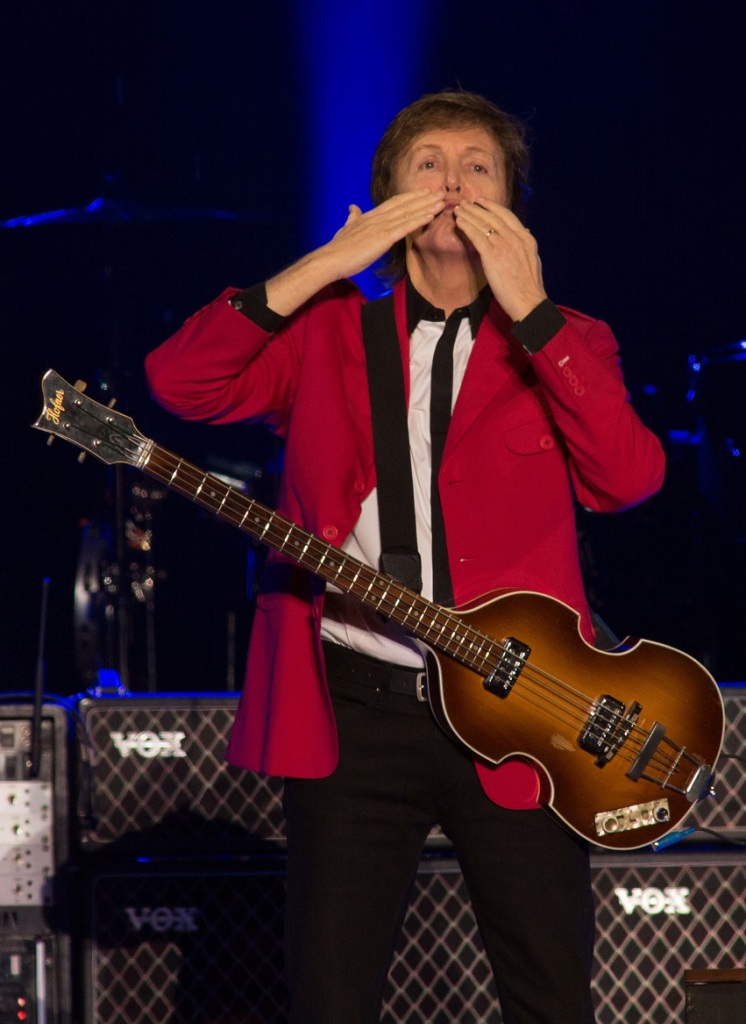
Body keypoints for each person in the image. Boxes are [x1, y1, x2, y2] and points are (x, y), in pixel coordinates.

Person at [145, 90, 665, 1024]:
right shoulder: (327, 330)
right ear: (390, 194)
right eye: (429, 163)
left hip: (523, 713)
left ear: (512, 204)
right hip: (356, 706)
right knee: (330, 994)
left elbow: (629, 480)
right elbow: (179, 383)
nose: (454, 181)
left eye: (479, 165)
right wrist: (324, 264)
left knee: (549, 990)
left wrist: (535, 314)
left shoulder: (568, 341)